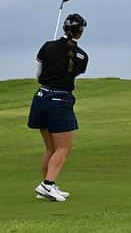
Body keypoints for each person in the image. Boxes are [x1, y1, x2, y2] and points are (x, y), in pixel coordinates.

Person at [27, 13, 90, 202]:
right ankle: (48, 185)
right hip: (59, 102)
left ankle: (47, 185)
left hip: (41, 98)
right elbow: (73, 71)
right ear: (79, 32)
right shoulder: (82, 55)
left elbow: (38, 75)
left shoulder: (47, 46)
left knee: (51, 148)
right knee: (63, 148)